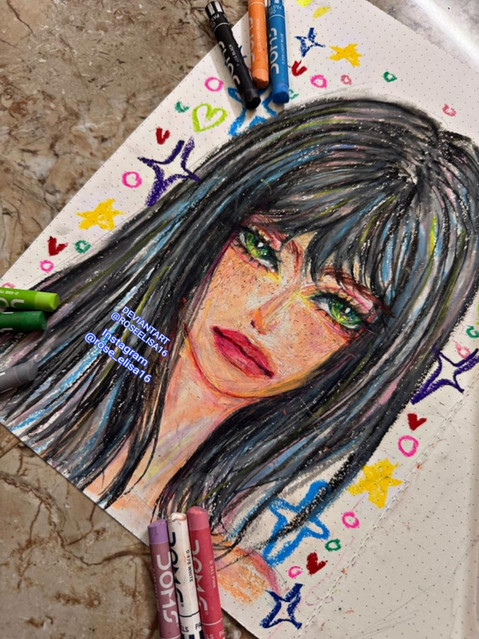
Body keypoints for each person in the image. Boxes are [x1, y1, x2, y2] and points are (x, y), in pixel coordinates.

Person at [1, 98, 479, 558]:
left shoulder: (233, 577)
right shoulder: (19, 366)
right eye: (260, 249)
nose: (266, 316)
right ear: (208, 225)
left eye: (339, 307)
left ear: (380, 353)